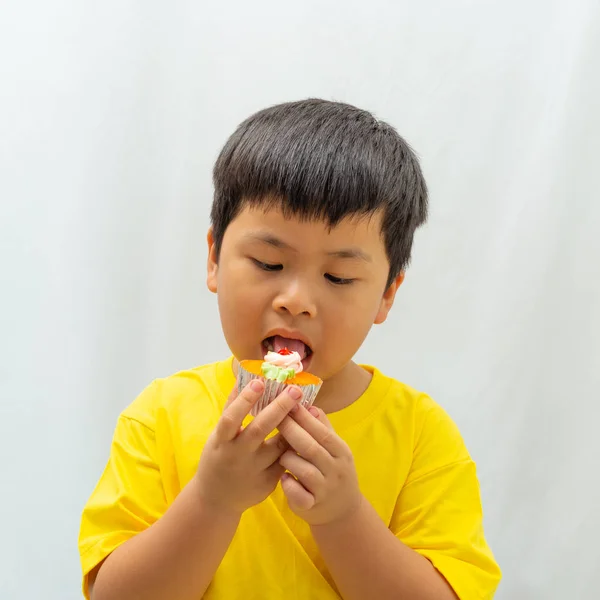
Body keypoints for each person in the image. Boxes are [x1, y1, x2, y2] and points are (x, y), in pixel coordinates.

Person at [78, 99, 501, 600]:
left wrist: (344, 517)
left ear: (387, 293)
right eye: (268, 263)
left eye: (339, 277)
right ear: (214, 258)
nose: (297, 301)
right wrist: (212, 501)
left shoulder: (419, 435)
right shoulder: (161, 417)